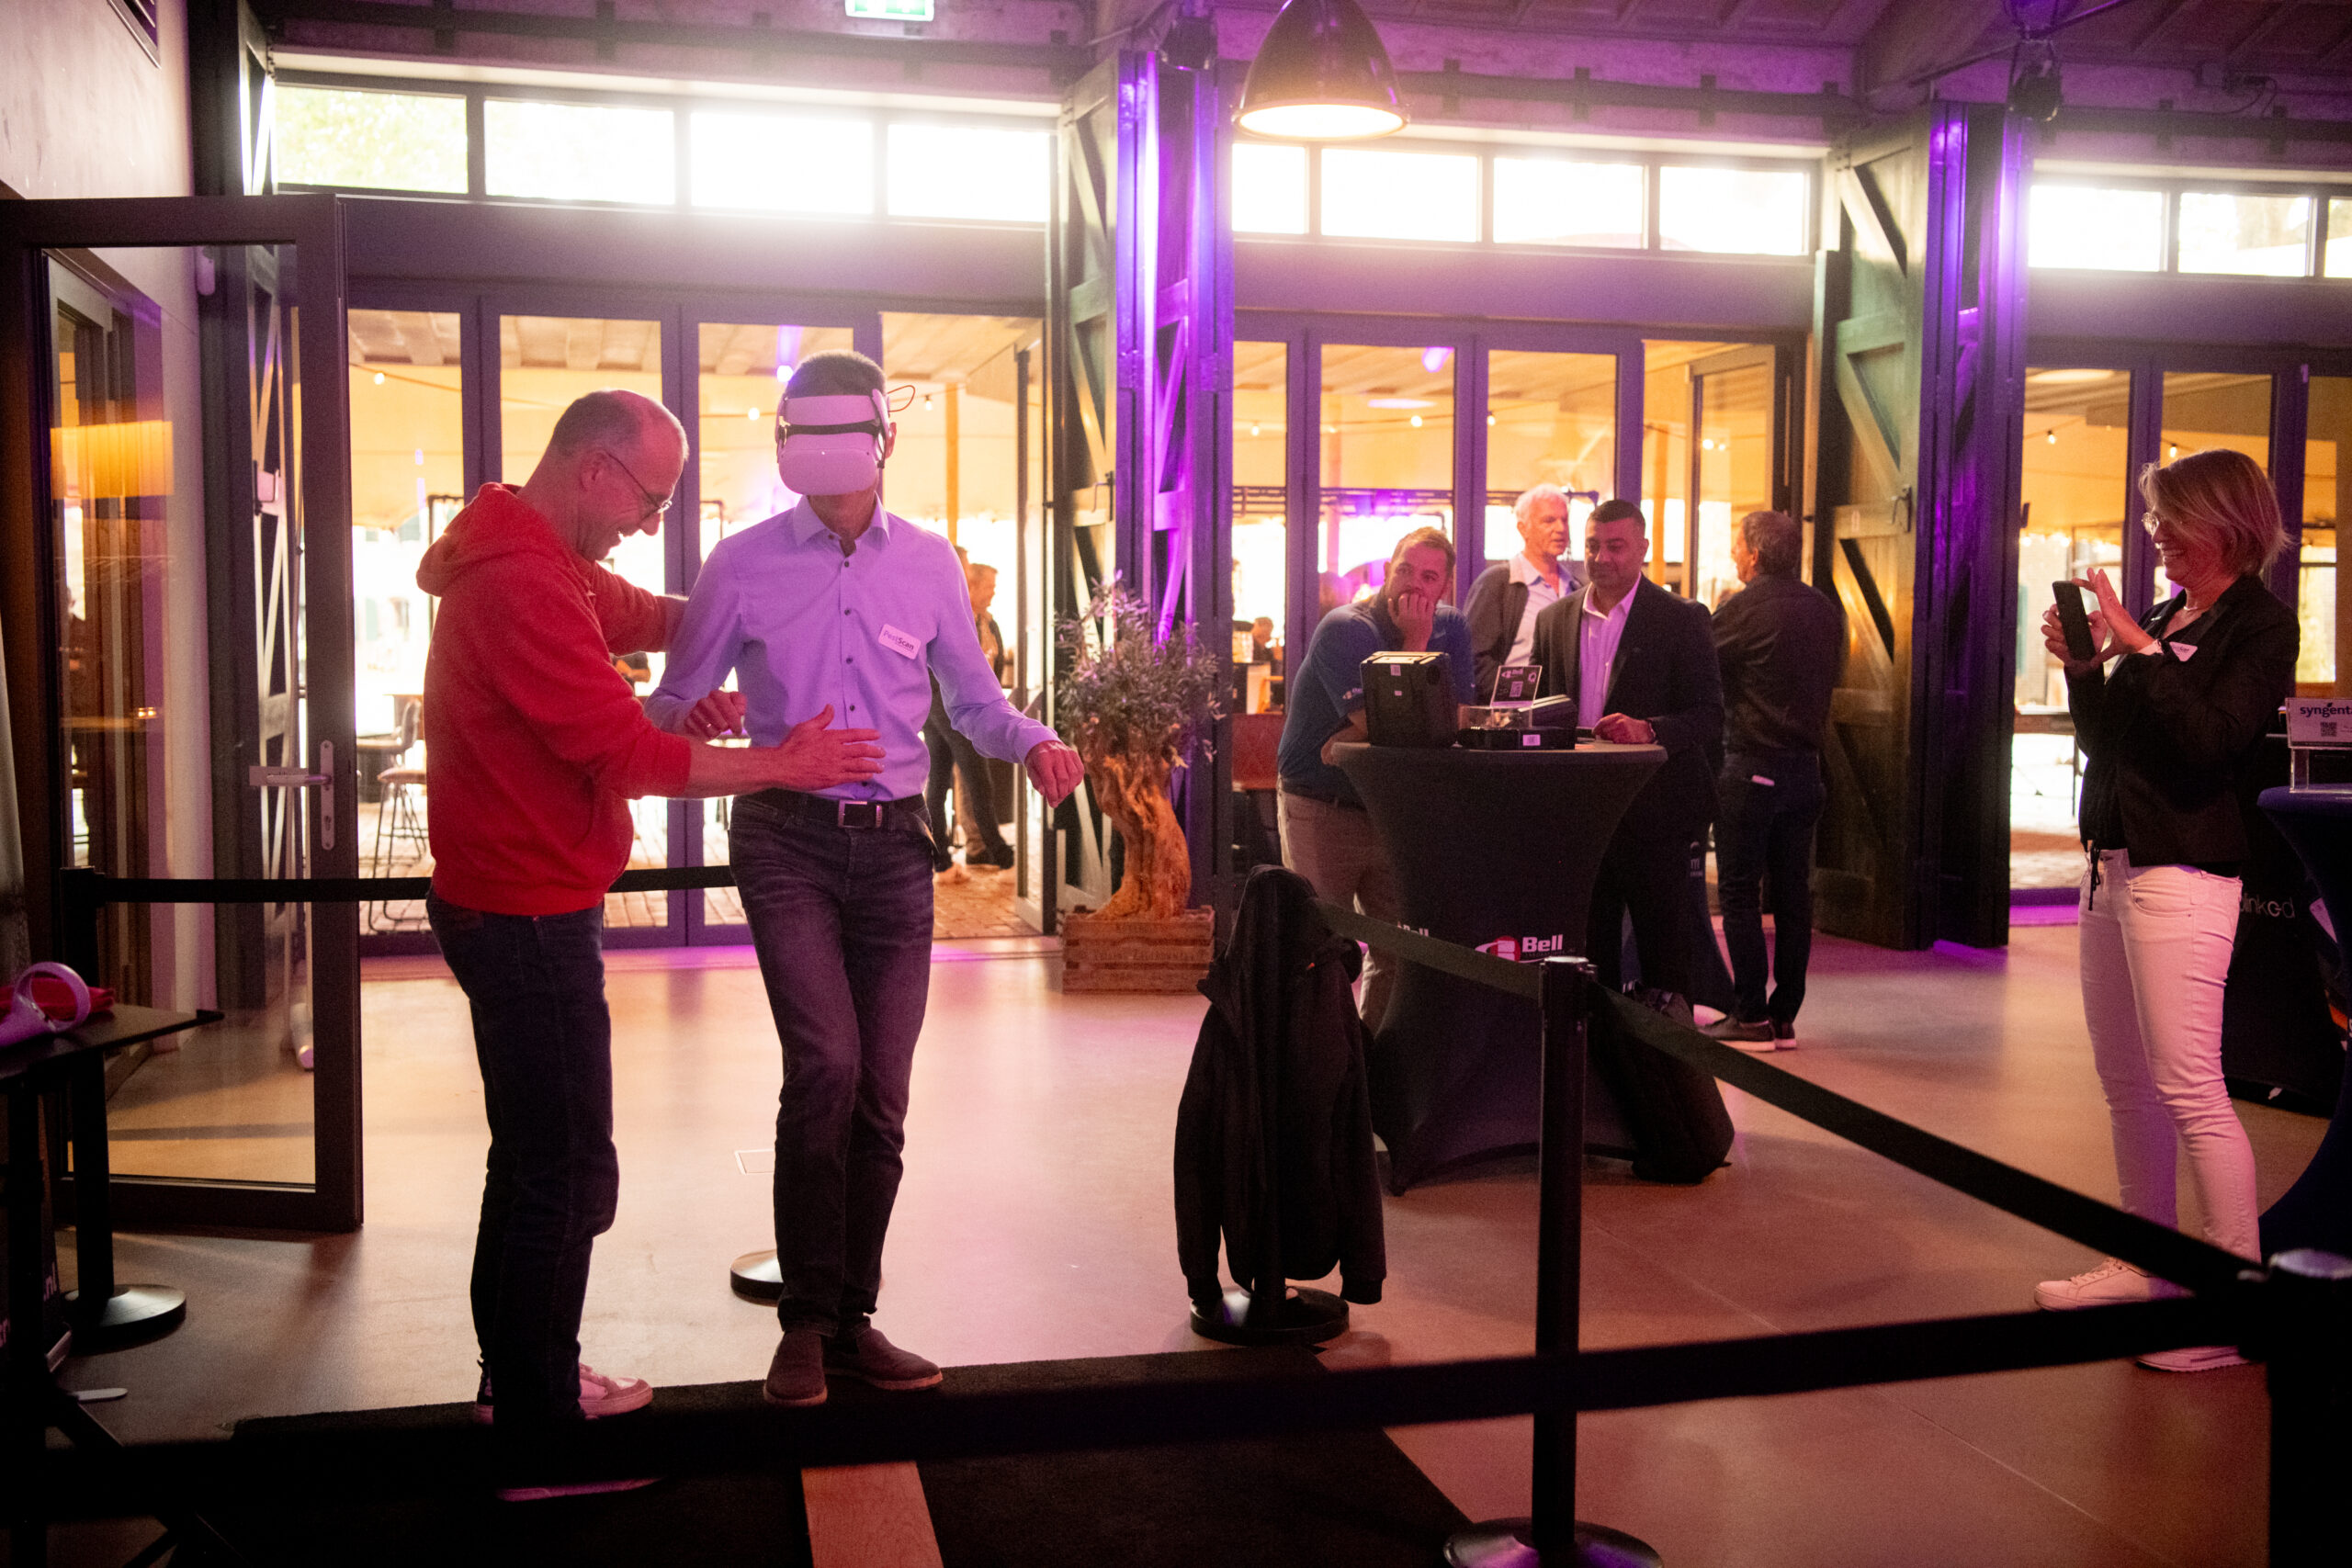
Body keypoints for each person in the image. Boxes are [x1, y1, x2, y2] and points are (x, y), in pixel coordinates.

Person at [417, 389, 885, 1497]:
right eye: (650, 498)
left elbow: (659, 616)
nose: (650, 520)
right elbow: (625, 753)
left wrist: (761, 601)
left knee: (529, 1162)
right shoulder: (522, 581)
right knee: (566, 1173)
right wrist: (785, 763)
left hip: (520, 900)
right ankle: (539, 1440)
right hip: (525, 916)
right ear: (593, 468)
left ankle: (522, 1381)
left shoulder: (542, 554)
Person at [646, 350, 1084, 1407]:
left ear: (883, 441)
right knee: (827, 1067)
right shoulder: (740, 564)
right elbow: (667, 707)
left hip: (894, 850)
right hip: (784, 842)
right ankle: (804, 1323)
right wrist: (696, 713)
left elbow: (972, 705)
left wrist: (1032, 740)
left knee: (881, 1095)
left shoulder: (928, 564)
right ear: (787, 444)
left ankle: (851, 1322)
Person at [2031, 448, 2298, 1374]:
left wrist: (2143, 655)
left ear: (2225, 522)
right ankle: (2147, 1266)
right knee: (2125, 1083)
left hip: (2184, 872)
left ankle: (2228, 1311)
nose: (2155, 536)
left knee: (2191, 1088)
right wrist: (2084, 667)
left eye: (2167, 519)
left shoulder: (2260, 625)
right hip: (2111, 866)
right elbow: (2109, 742)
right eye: (2152, 520)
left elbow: (2211, 743)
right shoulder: (2160, 615)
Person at [1274, 526, 1476, 1032]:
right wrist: (1416, 646)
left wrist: (1357, 734)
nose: (1414, 584)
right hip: (1322, 805)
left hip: (1392, 809)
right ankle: (1320, 1062)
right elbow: (1388, 719)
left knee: (1398, 948)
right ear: (1387, 570)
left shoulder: (1453, 626)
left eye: (1428, 576)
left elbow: (1460, 718)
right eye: (1404, 569)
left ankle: (1370, 1060)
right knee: (1320, 950)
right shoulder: (1346, 628)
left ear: (1446, 586)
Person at [1529, 499, 1722, 1007]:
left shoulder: (1681, 619)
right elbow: (1542, 713)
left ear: (1643, 549)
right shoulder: (1553, 620)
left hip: (1656, 814)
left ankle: (1667, 1052)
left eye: (1615, 546)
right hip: (1581, 817)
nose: (1601, 557)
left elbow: (1709, 715)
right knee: (1589, 957)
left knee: (1665, 958)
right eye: (1593, 546)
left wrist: (1650, 729)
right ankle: (1598, 1052)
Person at [1703, 510, 1843, 1050]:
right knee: (1792, 896)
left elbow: (1703, 668)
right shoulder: (1824, 609)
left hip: (1752, 766)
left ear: (1756, 555)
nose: (1734, 556)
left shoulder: (1744, 609)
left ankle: (1750, 1015)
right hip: (1806, 773)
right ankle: (1784, 1017)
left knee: (1740, 893)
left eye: (1737, 547)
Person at [1463, 484, 1586, 700]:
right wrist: (1520, 698)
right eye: (1549, 520)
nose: (1560, 528)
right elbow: (1475, 658)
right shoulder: (1498, 583)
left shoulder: (1575, 587)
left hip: (1562, 711)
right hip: (1511, 712)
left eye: (1564, 520)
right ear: (1523, 529)